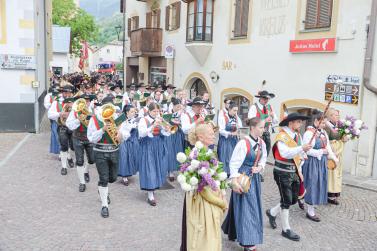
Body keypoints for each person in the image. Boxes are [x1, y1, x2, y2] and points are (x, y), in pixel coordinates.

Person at [181, 124, 228, 251]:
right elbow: (203, 190)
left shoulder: (209, 152)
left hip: (211, 198)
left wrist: (222, 192)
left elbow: (217, 177)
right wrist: (221, 203)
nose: (214, 135)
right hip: (202, 203)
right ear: (200, 137)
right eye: (210, 133)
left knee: (211, 237)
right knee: (203, 239)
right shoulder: (195, 156)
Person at [222, 117, 267, 251]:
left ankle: (232, 231)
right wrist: (234, 182)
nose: (263, 130)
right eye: (261, 127)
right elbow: (233, 164)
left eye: (263, 127)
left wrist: (259, 168)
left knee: (243, 205)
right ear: (252, 128)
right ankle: (248, 243)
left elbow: (263, 159)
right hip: (243, 178)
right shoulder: (243, 143)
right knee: (248, 207)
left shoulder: (262, 143)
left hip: (255, 178)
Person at [265, 113, 312, 241]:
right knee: (286, 201)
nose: (300, 124)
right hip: (282, 172)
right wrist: (301, 148)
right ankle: (286, 229)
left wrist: (303, 153)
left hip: (295, 171)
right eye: (298, 121)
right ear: (290, 123)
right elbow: (285, 153)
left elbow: (298, 153)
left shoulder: (297, 135)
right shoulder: (281, 136)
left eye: (301, 122)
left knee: (292, 200)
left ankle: (272, 212)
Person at [87, 97, 121, 218]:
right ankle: (104, 205)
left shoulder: (116, 119)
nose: (109, 110)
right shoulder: (94, 120)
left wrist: (120, 133)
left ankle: (102, 188)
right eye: (107, 107)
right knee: (104, 178)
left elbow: (124, 135)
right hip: (100, 152)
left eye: (111, 107)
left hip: (114, 151)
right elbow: (91, 138)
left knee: (113, 178)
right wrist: (102, 130)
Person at [302, 110, 338, 222]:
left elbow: (328, 148)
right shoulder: (309, 133)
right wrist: (321, 152)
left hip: (321, 163)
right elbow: (306, 150)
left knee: (320, 183)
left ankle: (310, 202)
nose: (324, 125)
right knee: (312, 184)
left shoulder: (323, 133)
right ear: (316, 121)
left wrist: (334, 158)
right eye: (322, 123)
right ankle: (310, 211)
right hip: (312, 162)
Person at [138, 103, 171, 206]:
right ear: (149, 111)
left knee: (157, 167)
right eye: (154, 111)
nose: (156, 113)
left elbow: (166, 134)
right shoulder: (144, 120)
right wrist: (153, 126)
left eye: (158, 111)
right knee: (150, 168)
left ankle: (154, 186)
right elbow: (142, 133)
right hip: (148, 145)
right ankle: (150, 194)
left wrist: (166, 129)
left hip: (158, 145)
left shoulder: (160, 119)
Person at [66, 95, 95, 192]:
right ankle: (82, 182)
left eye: (87, 101)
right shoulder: (75, 112)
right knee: (79, 161)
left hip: (89, 138)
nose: (85, 103)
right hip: (78, 137)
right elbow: (69, 125)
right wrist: (79, 119)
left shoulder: (93, 110)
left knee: (91, 160)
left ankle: (86, 171)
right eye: (84, 101)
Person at [48, 86, 75, 175]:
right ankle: (64, 167)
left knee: (72, 146)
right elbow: (50, 115)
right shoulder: (56, 102)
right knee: (63, 146)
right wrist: (60, 113)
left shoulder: (74, 102)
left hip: (72, 127)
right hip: (62, 126)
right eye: (65, 92)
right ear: (62, 92)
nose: (67, 94)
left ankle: (69, 157)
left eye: (69, 93)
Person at [324, 108, 347, 205]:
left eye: (338, 115)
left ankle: (333, 194)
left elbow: (340, 137)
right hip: (332, 153)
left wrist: (345, 138)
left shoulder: (338, 126)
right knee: (331, 174)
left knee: (337, 174)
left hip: (338, 153)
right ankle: (329, 195)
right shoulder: (327, 126)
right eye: (336, 115)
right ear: (330, 116)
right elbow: (326, 141)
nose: (338, 117)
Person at [247, 90, 278, 156]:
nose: (266, 100)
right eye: (264, 98)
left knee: (265, 154)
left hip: (266, 134)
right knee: (255, 154)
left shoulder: (270, 107)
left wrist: (273, 117)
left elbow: (276, 122)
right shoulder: (254, 107)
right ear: (260, 98)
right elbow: (251, 122)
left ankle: (262, 166)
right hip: (256, 134)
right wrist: (264, 121)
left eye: (267, 99)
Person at [217, 101, 243, 175]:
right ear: (229, 109)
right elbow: (221, 130)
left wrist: (238, 130)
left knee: (233, 158)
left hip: (234, 141)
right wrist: (231, 133)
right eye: (234, 110)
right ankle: (224, 175)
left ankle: (232, 174)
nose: (236, 112)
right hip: (225, 141)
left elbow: (240, 127)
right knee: (225, 159)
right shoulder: (223, 117)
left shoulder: (237, 118)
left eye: (237, 110)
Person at [118, 104, 140, 186]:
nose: (134, 113)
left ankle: (130, 171)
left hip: (133, 141)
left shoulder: (134, 119)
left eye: (134, 111)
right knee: (124, 158)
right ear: (127, 112)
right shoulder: (122, 121)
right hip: (125, 141)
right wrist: (130, 128)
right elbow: (121, 132)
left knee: (133, 157)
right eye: (132, 111)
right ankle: (124, 176)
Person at [165, 98, 185, 181]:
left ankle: (179, 169)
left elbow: (183, 123)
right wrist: (172, 122)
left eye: (180, 107)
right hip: (170, 134)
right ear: (173, 106)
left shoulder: (182, 113)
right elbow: (165, 123)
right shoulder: (168, 113)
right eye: (177, 106)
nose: (178, 108)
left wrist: (180, 122)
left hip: (178, 134)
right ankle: (170, 171)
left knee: (178, 151)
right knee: (170, 152)